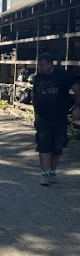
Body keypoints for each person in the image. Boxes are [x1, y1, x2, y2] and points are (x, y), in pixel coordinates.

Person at [32, 52, 80, 186]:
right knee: (43, 145)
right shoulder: (37, 78)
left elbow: (77, 90)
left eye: (41, 65)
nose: (39, 68)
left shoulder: (63, 76)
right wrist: (35, 112)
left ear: (49, 64)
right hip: (43, 117)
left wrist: (77, 107)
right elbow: (34, 95)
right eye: (39, 65)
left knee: (57, 146)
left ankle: (52, 171)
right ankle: (45, 174)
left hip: (60, 117)